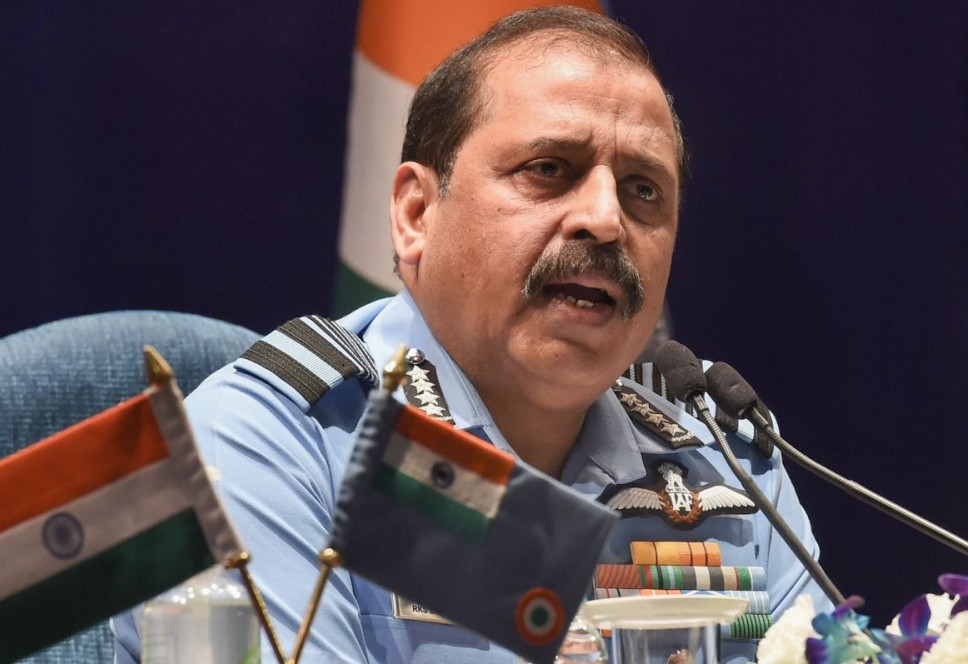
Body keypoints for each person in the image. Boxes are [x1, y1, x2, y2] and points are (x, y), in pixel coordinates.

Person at [113, 7, 831, 663]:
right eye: (549, 170)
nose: (607, 220)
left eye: (644, 189)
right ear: (417, 213)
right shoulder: (261, 446)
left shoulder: (726, 465)